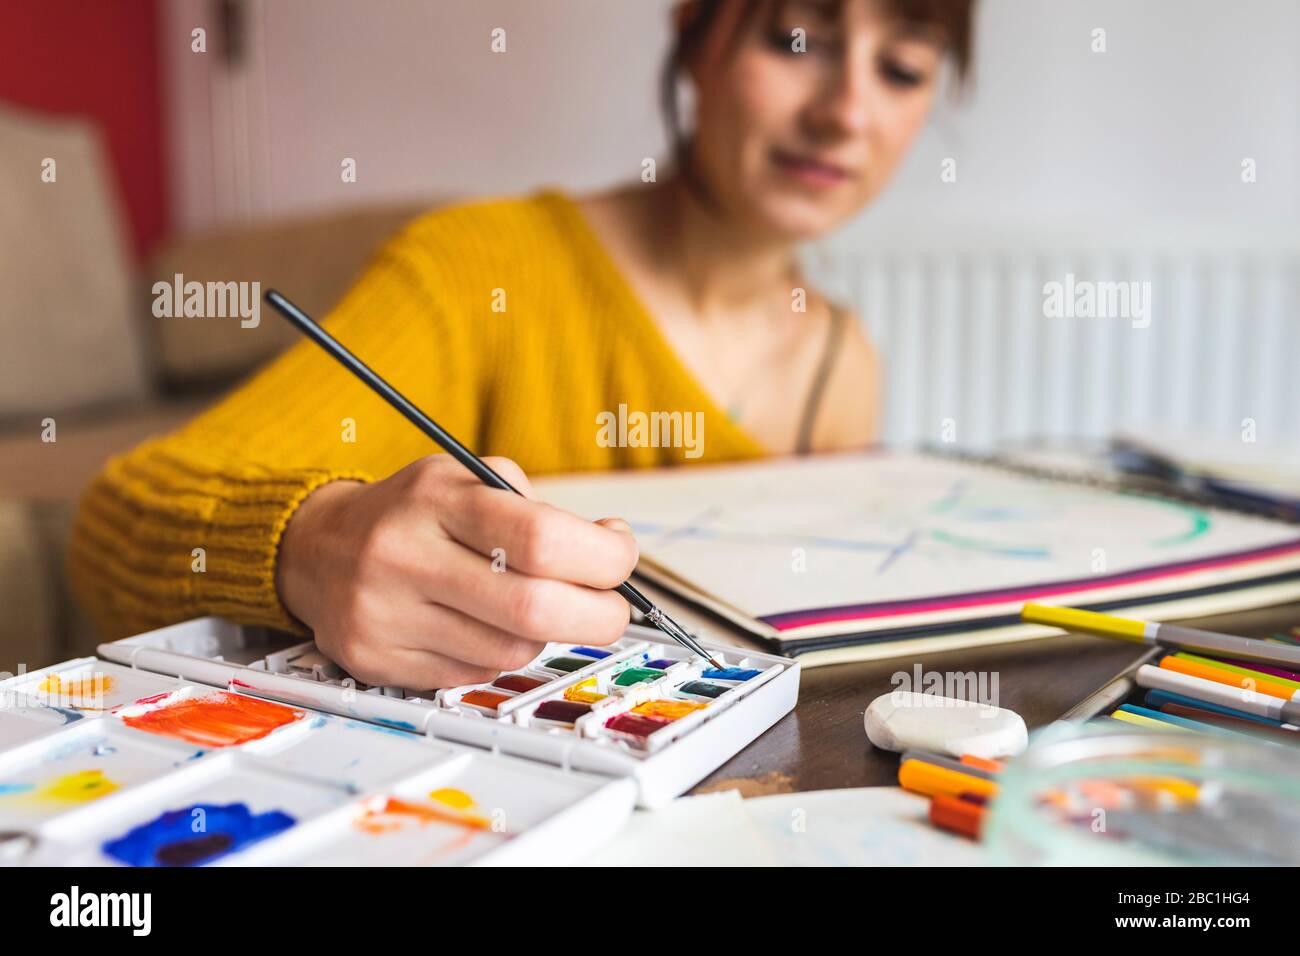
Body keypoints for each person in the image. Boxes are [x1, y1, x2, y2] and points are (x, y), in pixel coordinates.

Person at [70, 0, 975, 688]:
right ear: (695, 36)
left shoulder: (844, 359)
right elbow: (112, 525)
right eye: (796, 42)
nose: (846, 112)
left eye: (900, 68)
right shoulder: (473, 270)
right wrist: (307, 548)